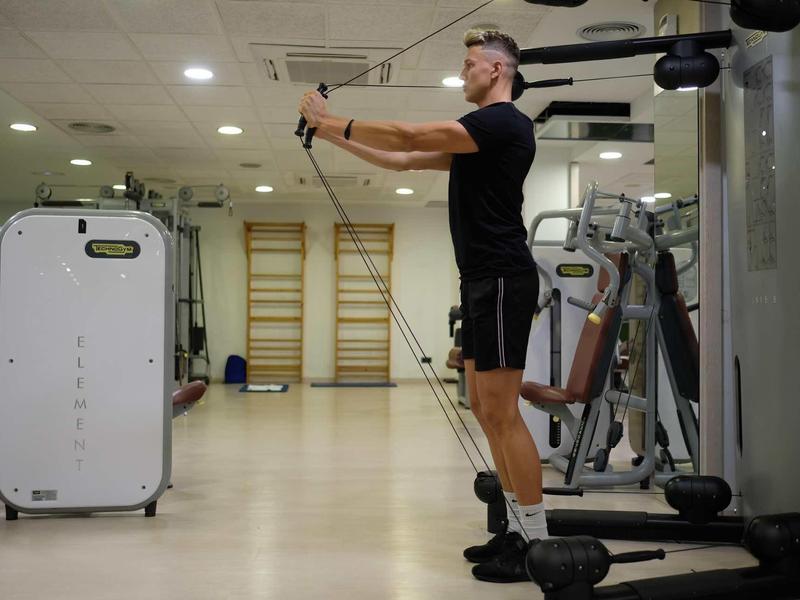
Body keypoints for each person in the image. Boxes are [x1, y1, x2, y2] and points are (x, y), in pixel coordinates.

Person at [299, 29, 546, 584]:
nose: (463, 73)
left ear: (498, 71)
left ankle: (536, 542)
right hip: (482, 279)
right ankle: (513, 529)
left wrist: (330, 118)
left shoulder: (503, 123)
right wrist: (330, 137)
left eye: (469, 65)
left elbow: (409, 132)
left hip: (505, 277)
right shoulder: (477, 139)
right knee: (485, 410)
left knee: (503, 414)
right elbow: (404, 158)